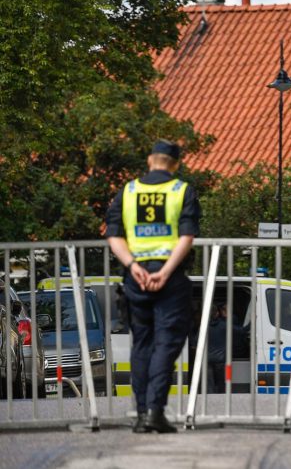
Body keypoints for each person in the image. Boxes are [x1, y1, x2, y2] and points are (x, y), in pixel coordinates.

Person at [105, 139, 200, 434]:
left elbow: (114, 235)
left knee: (142, 344)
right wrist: (166, 271)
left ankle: (141, 414)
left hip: (136, 277)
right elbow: (186, 236)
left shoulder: (128, 191)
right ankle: (155, 412)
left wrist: (133, 266)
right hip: (169, 277)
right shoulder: (181, 191)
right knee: (166, 343)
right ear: (176, 164)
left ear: (150, 160)